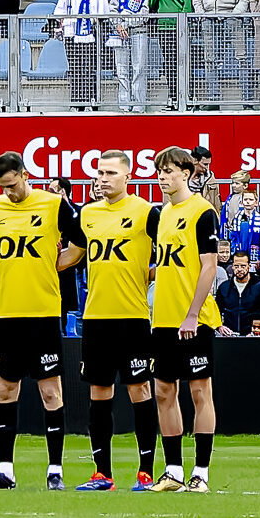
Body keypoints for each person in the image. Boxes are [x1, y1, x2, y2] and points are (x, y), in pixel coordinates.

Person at [0, 154, 79, 489]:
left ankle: (55, 470)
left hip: (43, 312)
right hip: (9, 313)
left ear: (24, 175)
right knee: (6, 389)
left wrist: (59, 263)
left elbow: (81, 239)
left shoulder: (53, 204)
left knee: (50, 391)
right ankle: (5, 469)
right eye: (2, 187)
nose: (8, 192)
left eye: (12, 184)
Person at [75, 151, 160, 490]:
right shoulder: (88, 214)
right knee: (99, 391)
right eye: (99, 172)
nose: (103, 178)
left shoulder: (144, 212)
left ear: (127, 176)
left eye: (110, 172)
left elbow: (168, 250)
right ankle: (102, 473)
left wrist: (151, 274)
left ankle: (145, 472)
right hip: (96, 317)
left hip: (132, 317)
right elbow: (74, 255)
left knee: (139, 389)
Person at [144, 146, 223, 492]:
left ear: (187, 173)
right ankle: (173, 470)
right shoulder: (161, 214)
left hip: (195, 318)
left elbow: (209, 266)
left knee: (200, 390)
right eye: (160, 171)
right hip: (163, 317)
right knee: (163, 390)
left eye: (170, 171)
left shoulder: (202, 212)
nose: (163, 177)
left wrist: (192, 314)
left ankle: (201, 472)